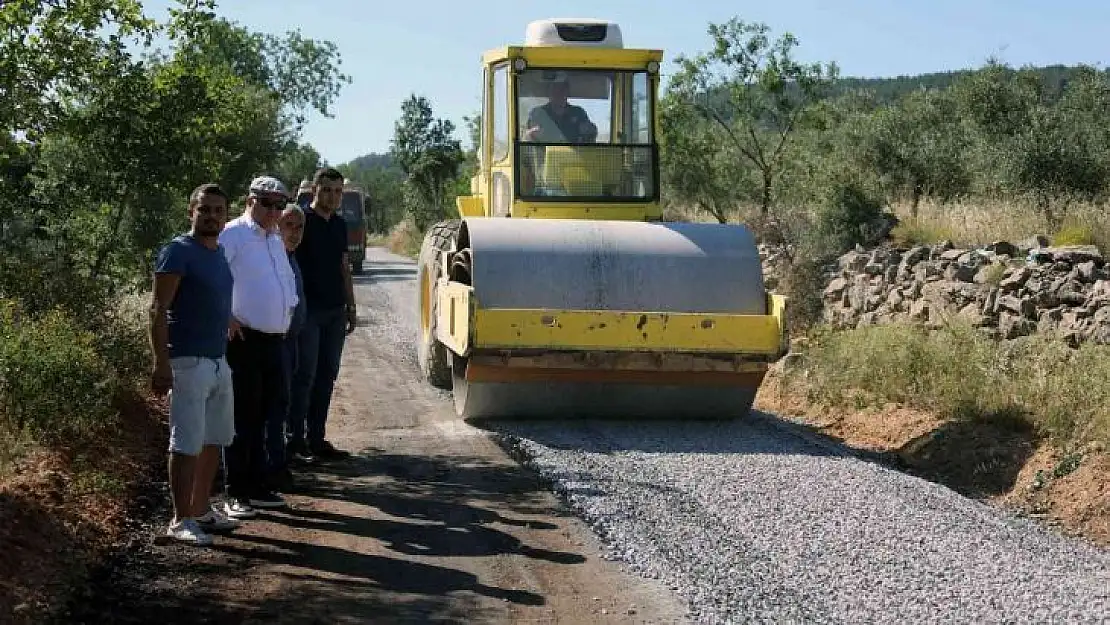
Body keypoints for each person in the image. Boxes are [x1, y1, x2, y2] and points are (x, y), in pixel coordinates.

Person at [150, 182, 240, 546]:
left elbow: (212, 299)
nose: (212, 216)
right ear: (192, 211)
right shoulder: (177, 252)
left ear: (226, 216)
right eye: (205, 209)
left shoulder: (218, 253)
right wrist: (161, 364)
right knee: (185, 441)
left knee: (214, 439)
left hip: (218, 360)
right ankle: (180, 519)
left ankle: (201, 509)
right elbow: (157, 310)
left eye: (219, 210)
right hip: (187, 361)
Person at [218, 175, 300, 518]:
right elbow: (214, 275)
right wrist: (225, 314)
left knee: (268, 416)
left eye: (279, 205)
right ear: (250, 200)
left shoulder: (274, 239)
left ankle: (257, 484)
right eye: (266, 203)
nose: (273, 210)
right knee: (244, 418)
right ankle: (235, 491)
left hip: (274, 342)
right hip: (244, 341)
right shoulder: (234, 234)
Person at [289, 167, 357, 461]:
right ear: (314, 190)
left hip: (334, 311)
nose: (333, 196)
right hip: (308, 311)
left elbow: (344, 266)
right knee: (304, 375)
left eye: (338, 191)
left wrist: (351, 305)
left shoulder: (340, 225)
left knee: (327, 375)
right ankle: (295, 441)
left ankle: (317, 438)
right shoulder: (302, 222)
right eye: (327, 190)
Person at [268, 204, 307, 488]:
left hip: (289, 342)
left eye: (299, 227)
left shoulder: (290, 257)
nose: (293, 232)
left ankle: (277, 462)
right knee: (272, 407)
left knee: (283, 402)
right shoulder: (272, 257)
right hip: (273, 344)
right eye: (288, 226)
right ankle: (272, 468)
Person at [522, 78, 598, 143]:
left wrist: (591, 130)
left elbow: (591, 135)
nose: (558, 94)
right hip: (543, 157)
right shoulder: (537, 113)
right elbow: (525, 138)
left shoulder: (578, 112)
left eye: (562, 90)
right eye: (554, 90)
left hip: (574, 157)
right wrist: (531, 134)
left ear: (567, 93)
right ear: (549, 93)